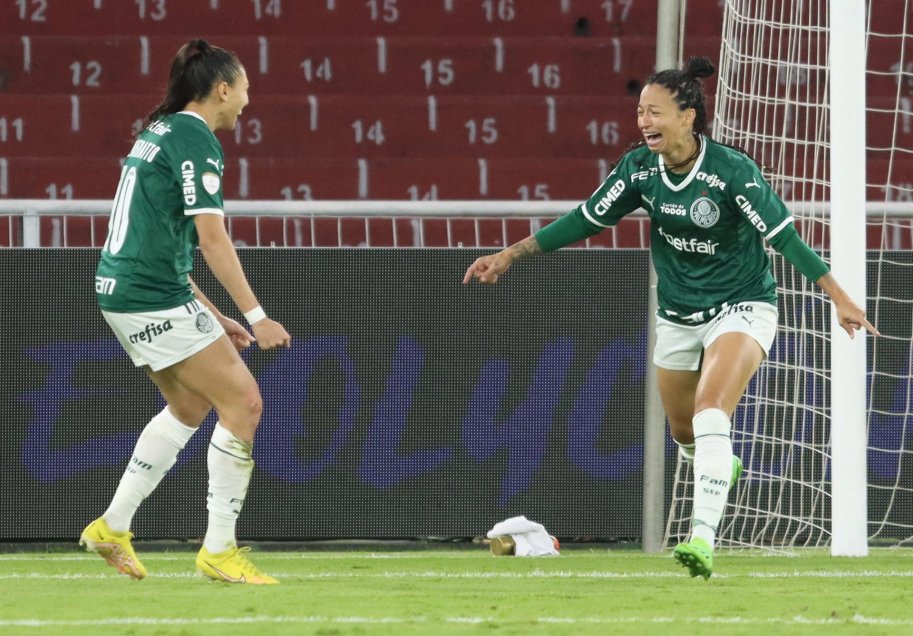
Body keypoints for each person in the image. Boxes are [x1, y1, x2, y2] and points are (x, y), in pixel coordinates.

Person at [463, 56, 878, 579]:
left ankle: (702, 539)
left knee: (710, 412)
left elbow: (785, 239)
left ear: (688, 117)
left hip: (742, 306)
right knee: (686, 434)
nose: (644, 122)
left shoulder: (732, 173)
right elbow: (584, 220)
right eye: (640, 112)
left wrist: (838, 296)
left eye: (655, 112)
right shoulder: (639, 170)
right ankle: (717, 466)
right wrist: (509, 254)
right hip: (678, 316)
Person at [80, 39, 291, 585]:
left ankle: (112, 526)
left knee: (191, 406)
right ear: (223, 88)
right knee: (243, 402)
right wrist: (255, 315)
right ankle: (219, 549)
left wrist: (211, 313)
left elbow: (157, 239)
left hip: (126, 288)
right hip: (148, 293)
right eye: (244, 86)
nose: (248, 98)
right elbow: (212, 238)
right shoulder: (196, 140)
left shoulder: (161, 129)